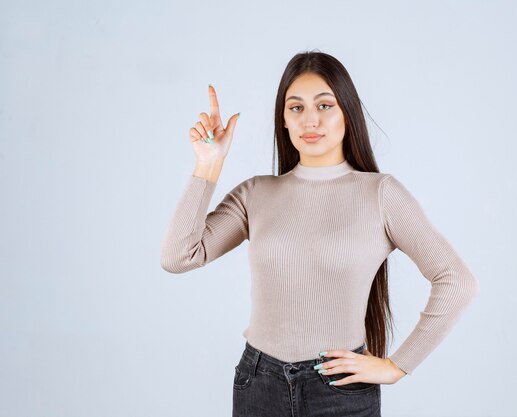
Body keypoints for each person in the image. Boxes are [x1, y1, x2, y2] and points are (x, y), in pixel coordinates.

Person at [160, 50, 480, 417]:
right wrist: (208, 164)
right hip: (258, 384)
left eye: (324, 105)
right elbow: (178, 256)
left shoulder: (381, 194)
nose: (310, 120)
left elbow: (457, 280)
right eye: (295, 108)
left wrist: (397, 366)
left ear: (347, 111)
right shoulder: (256, 194)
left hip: (340, 391)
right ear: (283, 119)